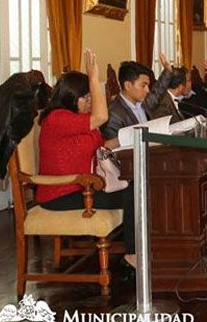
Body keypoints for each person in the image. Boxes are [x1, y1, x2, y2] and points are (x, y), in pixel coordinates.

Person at [36, 49, 137, 275]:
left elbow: (102, 145)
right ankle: (132, 256)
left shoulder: (80, 120)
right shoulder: (56, 118)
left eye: (91, 97)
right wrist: (93, 77)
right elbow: (102, 117)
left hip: (82, 188)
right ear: (70, 97)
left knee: (138, 188)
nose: (90, 102)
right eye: (86, 98)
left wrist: (133, 136)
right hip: (60, 193)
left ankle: (140, 250)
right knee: (134, 194)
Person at [101, 54, 173, 141]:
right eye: (143, 85)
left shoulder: (142, 103)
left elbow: (158, 92)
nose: (147, 90)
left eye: (148, 85)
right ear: (128, 85)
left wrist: (168, 71)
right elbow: (114, 147)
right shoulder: (114, 115)